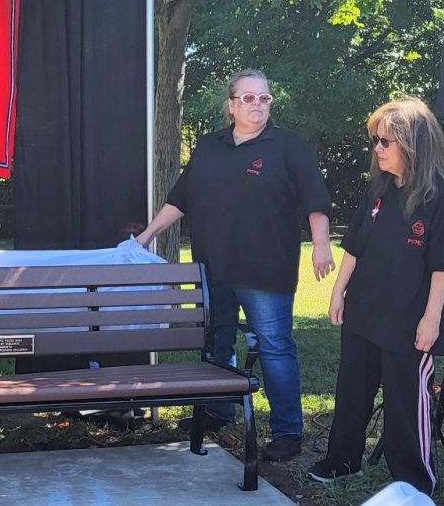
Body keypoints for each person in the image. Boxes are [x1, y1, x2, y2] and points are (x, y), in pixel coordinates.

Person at [135, 69, 334, 462]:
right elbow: (180, 199)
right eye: (248, 98)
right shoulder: (209, 147)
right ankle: (218, 410)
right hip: (213, 267)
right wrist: (147, 235)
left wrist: (322, 246)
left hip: (266, 270)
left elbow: (315, 201)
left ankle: (287, 432)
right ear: (231, 105)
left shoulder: (288, 147)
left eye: (264, 98)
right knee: (216, 342)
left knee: (275, 347)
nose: (257, 104)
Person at [307, 98, 444, 496]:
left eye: (385, 141)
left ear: (413, 143)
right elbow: (355, 245)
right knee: (352, 389)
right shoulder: (379, 186)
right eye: (375, 140)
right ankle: (342, 461)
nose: (377, 148)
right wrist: (338, 292)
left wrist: (432, 319)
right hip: (364, 307)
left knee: (406, 401)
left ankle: (414, 482)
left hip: (409, 317)